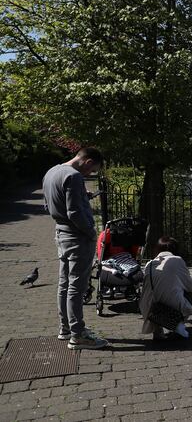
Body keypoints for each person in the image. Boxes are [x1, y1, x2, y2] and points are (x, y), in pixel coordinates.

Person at [42, 147, 108, 350]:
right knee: (76, 288)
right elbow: (74, 213)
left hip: (60, 234)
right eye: (92, 170)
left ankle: (65, 329)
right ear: (87, 162)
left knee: (64, 284)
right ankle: (78, 334)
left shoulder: (52, 172)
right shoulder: (74, 176)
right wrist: (91, 233)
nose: (90, 174)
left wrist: (82, 196)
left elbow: (48, 205)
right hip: (77, 238)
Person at [139, 237, 192, 340]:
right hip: (172, 306)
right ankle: (178, 322)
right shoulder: (177, 260)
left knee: (159, 292)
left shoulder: (149, 264)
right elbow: (190, 286)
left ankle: (157, 329)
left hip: (150, 308)